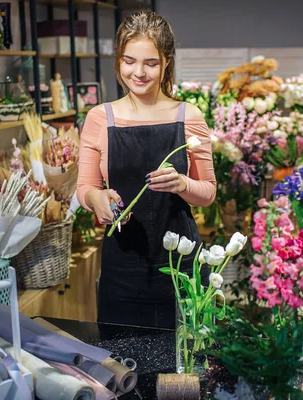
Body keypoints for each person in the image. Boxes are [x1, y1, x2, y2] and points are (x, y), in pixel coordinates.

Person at [76, 10, 216, 329]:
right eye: (129, 61)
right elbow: (84, 188)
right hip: (122, 270)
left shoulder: (189, 116)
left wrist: (182, 183)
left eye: (150, 63)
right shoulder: (100, 118)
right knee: (125, 372)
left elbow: (208, 192)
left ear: (166, 62)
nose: (138, 72)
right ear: (119, 61)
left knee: (189, 368)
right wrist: (97, 200)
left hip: (182, 265)